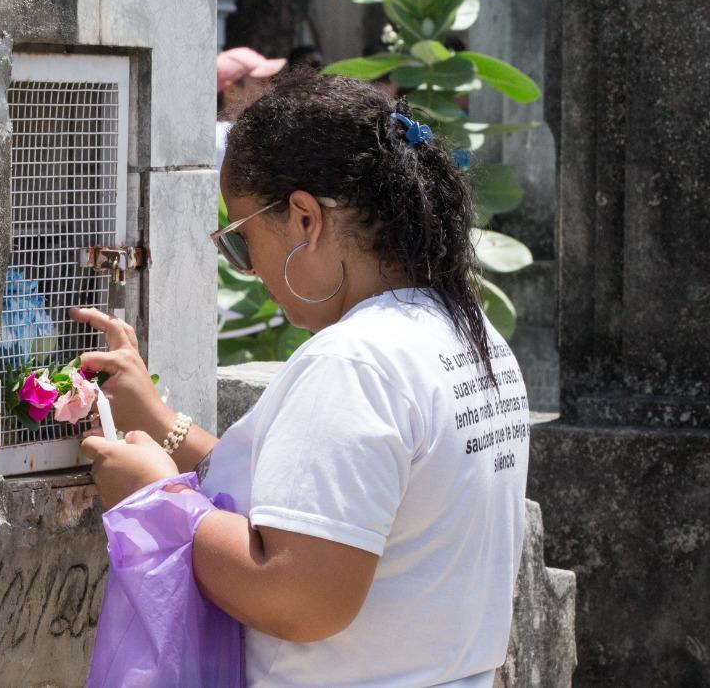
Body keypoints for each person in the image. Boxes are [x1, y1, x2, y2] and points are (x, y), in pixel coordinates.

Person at [78, 72, 529, 686]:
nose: (249, 266)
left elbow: (298, 597)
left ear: (304, 219)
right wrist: (160, 424)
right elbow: (319, 503)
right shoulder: (463, 329)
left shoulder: (353, 363)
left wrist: (157, 503)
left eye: (239, 240)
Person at [215, 47, 284, 166]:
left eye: (269, 81)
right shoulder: (226, 141)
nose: (270, 89)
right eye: (261, 82)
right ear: (231, 91)